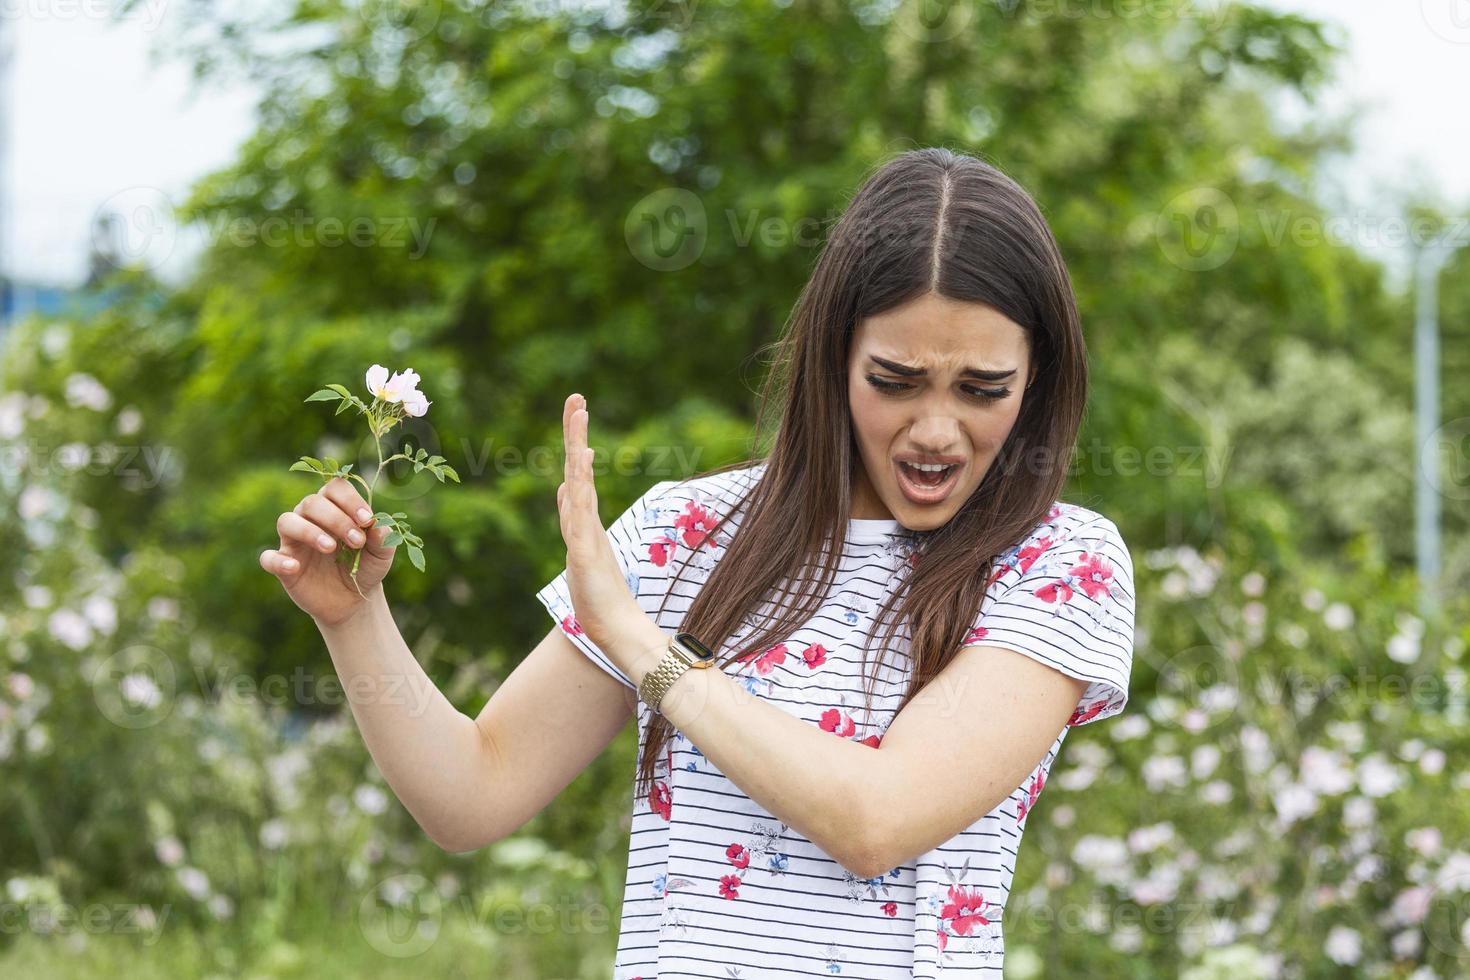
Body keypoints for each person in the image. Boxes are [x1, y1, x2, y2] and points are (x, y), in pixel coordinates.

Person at [260, 146, 1136, 979]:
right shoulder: (689, 533)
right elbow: (471, 796)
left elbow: (877, 821)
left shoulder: (1060, 563)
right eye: (896, 380)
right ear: (836, 358)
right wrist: (354, 620)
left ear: (1038, 379)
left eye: (983, 389)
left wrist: (646, 649)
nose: (937, 431)